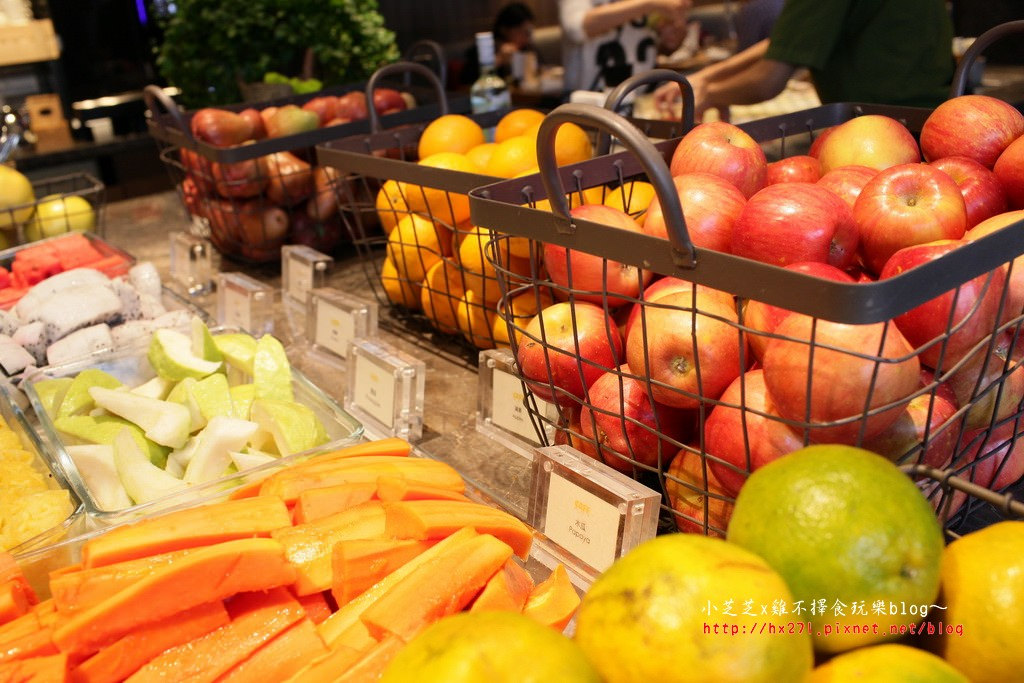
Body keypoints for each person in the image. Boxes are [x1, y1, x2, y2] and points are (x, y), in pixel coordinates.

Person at [654, 0, 955, 119]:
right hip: (938, 112)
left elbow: (767, 81)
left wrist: (709, 93)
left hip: (888, 125)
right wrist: (709, 76)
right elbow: (790, 42)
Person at [559, 0, 692, 95]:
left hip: (642, 93)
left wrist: (670, 39)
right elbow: (577, 28)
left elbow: (654, 44)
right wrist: (650, 3)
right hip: (588, 97)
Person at [460, 3, 541, 86]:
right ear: (504, 29)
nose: (526, 37)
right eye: (521, 31)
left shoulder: (526, 47)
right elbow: (466, 81)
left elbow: (541, 68)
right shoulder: (485, 50)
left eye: (528, 32)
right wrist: (498, 60)